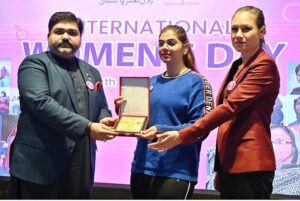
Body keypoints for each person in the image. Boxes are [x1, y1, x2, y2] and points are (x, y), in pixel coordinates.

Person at [148, 6, 280, 199]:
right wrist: (219, 168)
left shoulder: (264, 65)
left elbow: (228, 108)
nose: (238, 34)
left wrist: (181, 135)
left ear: (262, 31)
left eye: (246, 29)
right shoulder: (238, 65)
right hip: (231, 164)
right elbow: (226, 123)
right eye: (234, 29)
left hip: (251, 163)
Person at [8, 11, 118, 199]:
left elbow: (101, 106)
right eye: (59, 31)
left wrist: (104, 119)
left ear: (80, 38)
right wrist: (88, 127)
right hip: (40, 166)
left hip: (81, 166)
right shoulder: (34, 64)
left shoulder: (92, 71)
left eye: (72, 33)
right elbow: (41, 103)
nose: (66, 36)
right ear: (49, 35)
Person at [115, 25, 213, 199]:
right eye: (161, 43)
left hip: (176, 171)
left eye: (171, 43)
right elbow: (140, 123)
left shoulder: (197, 82)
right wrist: (124, 112)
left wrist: (160, 129)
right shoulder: (152, 82)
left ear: (185, 48)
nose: (164, 47)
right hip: (141, 168)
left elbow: (201, 128)